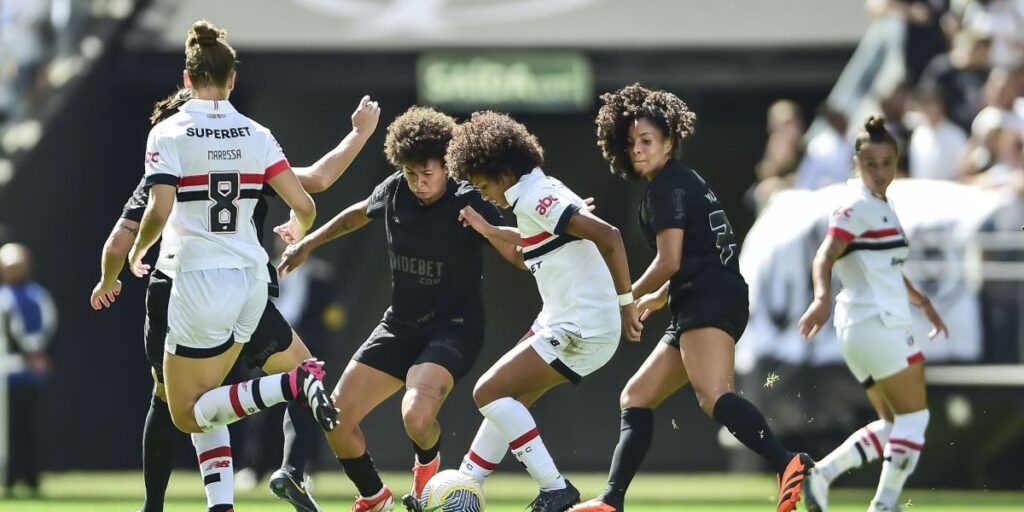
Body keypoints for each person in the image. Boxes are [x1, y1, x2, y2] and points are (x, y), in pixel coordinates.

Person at [90, 85, 379, 512]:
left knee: (178, 404)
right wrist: (359, 134)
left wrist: (107, 281)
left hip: (181, 289)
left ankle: (154, 505)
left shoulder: (164, 172)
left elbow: (119, 242)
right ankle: (284, 475)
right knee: (275, 379)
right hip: (245, 285)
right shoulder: (245, 153)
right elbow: (317, 179)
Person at [573, 83, 813, 512]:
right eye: (631, 143)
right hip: (701, 297)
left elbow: (669, 260)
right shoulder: (679, 182)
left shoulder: (668, 187)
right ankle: (611, 500)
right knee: (637, 396)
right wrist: (658, 297)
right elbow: (691, 258)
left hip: (709, 301)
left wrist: (626, 298)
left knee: (714, 396)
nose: (638, 150)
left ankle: (787, 462)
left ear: (669, 141)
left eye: (647, 141)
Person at [278, 106, 524, 512]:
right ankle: (375, 498)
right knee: (335, 420)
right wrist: (307, 244)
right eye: (411, 174)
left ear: (447, 166)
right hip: (400, 326)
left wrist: (554, 232)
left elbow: (515, 253)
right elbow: (356, 214)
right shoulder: (395, 190)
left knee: (416, 415)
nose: (419, 183)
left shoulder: (468, 200)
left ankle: (426, 479)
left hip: (453, 329)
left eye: (427, 174)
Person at [441, 110, 642, 512]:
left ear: (501, 172)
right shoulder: (532, 194)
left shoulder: (535, 196)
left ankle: (555, 489)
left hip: (582, 324)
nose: (485, 195)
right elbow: (529, 249)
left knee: (489, 390)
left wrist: (627, 304)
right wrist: (489, 229)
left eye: (483, 185)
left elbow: (610, 236)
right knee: (509, 399)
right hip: (566, 319)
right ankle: (466, 483)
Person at [798, 116, 948, 512]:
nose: (880, 172)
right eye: (871, 164)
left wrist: (924, 303)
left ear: (896, 162)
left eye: (887, 163)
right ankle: (885, 505)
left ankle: (822, 474)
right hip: (878, 322)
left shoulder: (882, 204)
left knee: (893, 424)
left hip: (864, 326)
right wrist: (820, 298)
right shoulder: (855, 206)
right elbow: (824, 255)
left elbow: (888, 268)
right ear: (856, 163)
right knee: (915, 420)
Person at [0, 243, 56, 498]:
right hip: (5, 373)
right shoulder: (4, 296)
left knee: (26, 429)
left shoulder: (37, 295)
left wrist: (34, 353)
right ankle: (7, 480)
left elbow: (47, 327)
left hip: (26, 375)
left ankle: (30, 479)